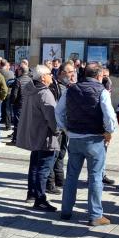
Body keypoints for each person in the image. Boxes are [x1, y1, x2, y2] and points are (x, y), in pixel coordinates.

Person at [55, 62, 117, 227]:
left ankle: (66, 211)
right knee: (95, 177)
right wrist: (109, 131)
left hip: (75, 138)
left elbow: (58, 111)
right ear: (99, 75)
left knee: (71, 176)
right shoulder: (102, 91)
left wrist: (65, 129)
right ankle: (95, 215)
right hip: (95, 139)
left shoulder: (70, 89)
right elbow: (109, 116)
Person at [17, 65, 60, 212]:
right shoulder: (45, 93)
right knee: (43, 168)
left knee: (35, 166)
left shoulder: (30, 89)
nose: (52, 76)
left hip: (34, 133)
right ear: (43, 77)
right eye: (49, 74)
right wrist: (58, 131)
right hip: (45, 136)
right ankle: (40, 199)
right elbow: (52, 118)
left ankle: (32, 194)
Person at [47, 61, 76, 194]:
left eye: (73, 72)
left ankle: (59, 179)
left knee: (61, 153)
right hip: (57, 127)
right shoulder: (54, 86)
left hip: (65, 127)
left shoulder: (68, 86)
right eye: (70, 72)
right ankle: (49, 183)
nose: (73, 75)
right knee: (54, 154)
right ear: (63, 73)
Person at [7, 64, 33, 146]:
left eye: (18, 70)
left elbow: (14, 94)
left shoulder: (18, 80)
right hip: (28, 104)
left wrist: (12, 102)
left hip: (19, 104)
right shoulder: (31, 80)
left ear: (21, 71)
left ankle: (15, 140)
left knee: (17, 123)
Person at [0, 59, 16, 131]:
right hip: (8, 92)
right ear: (6, 65)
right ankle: (8, 125)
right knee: (7, 109)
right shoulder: (11, 73)